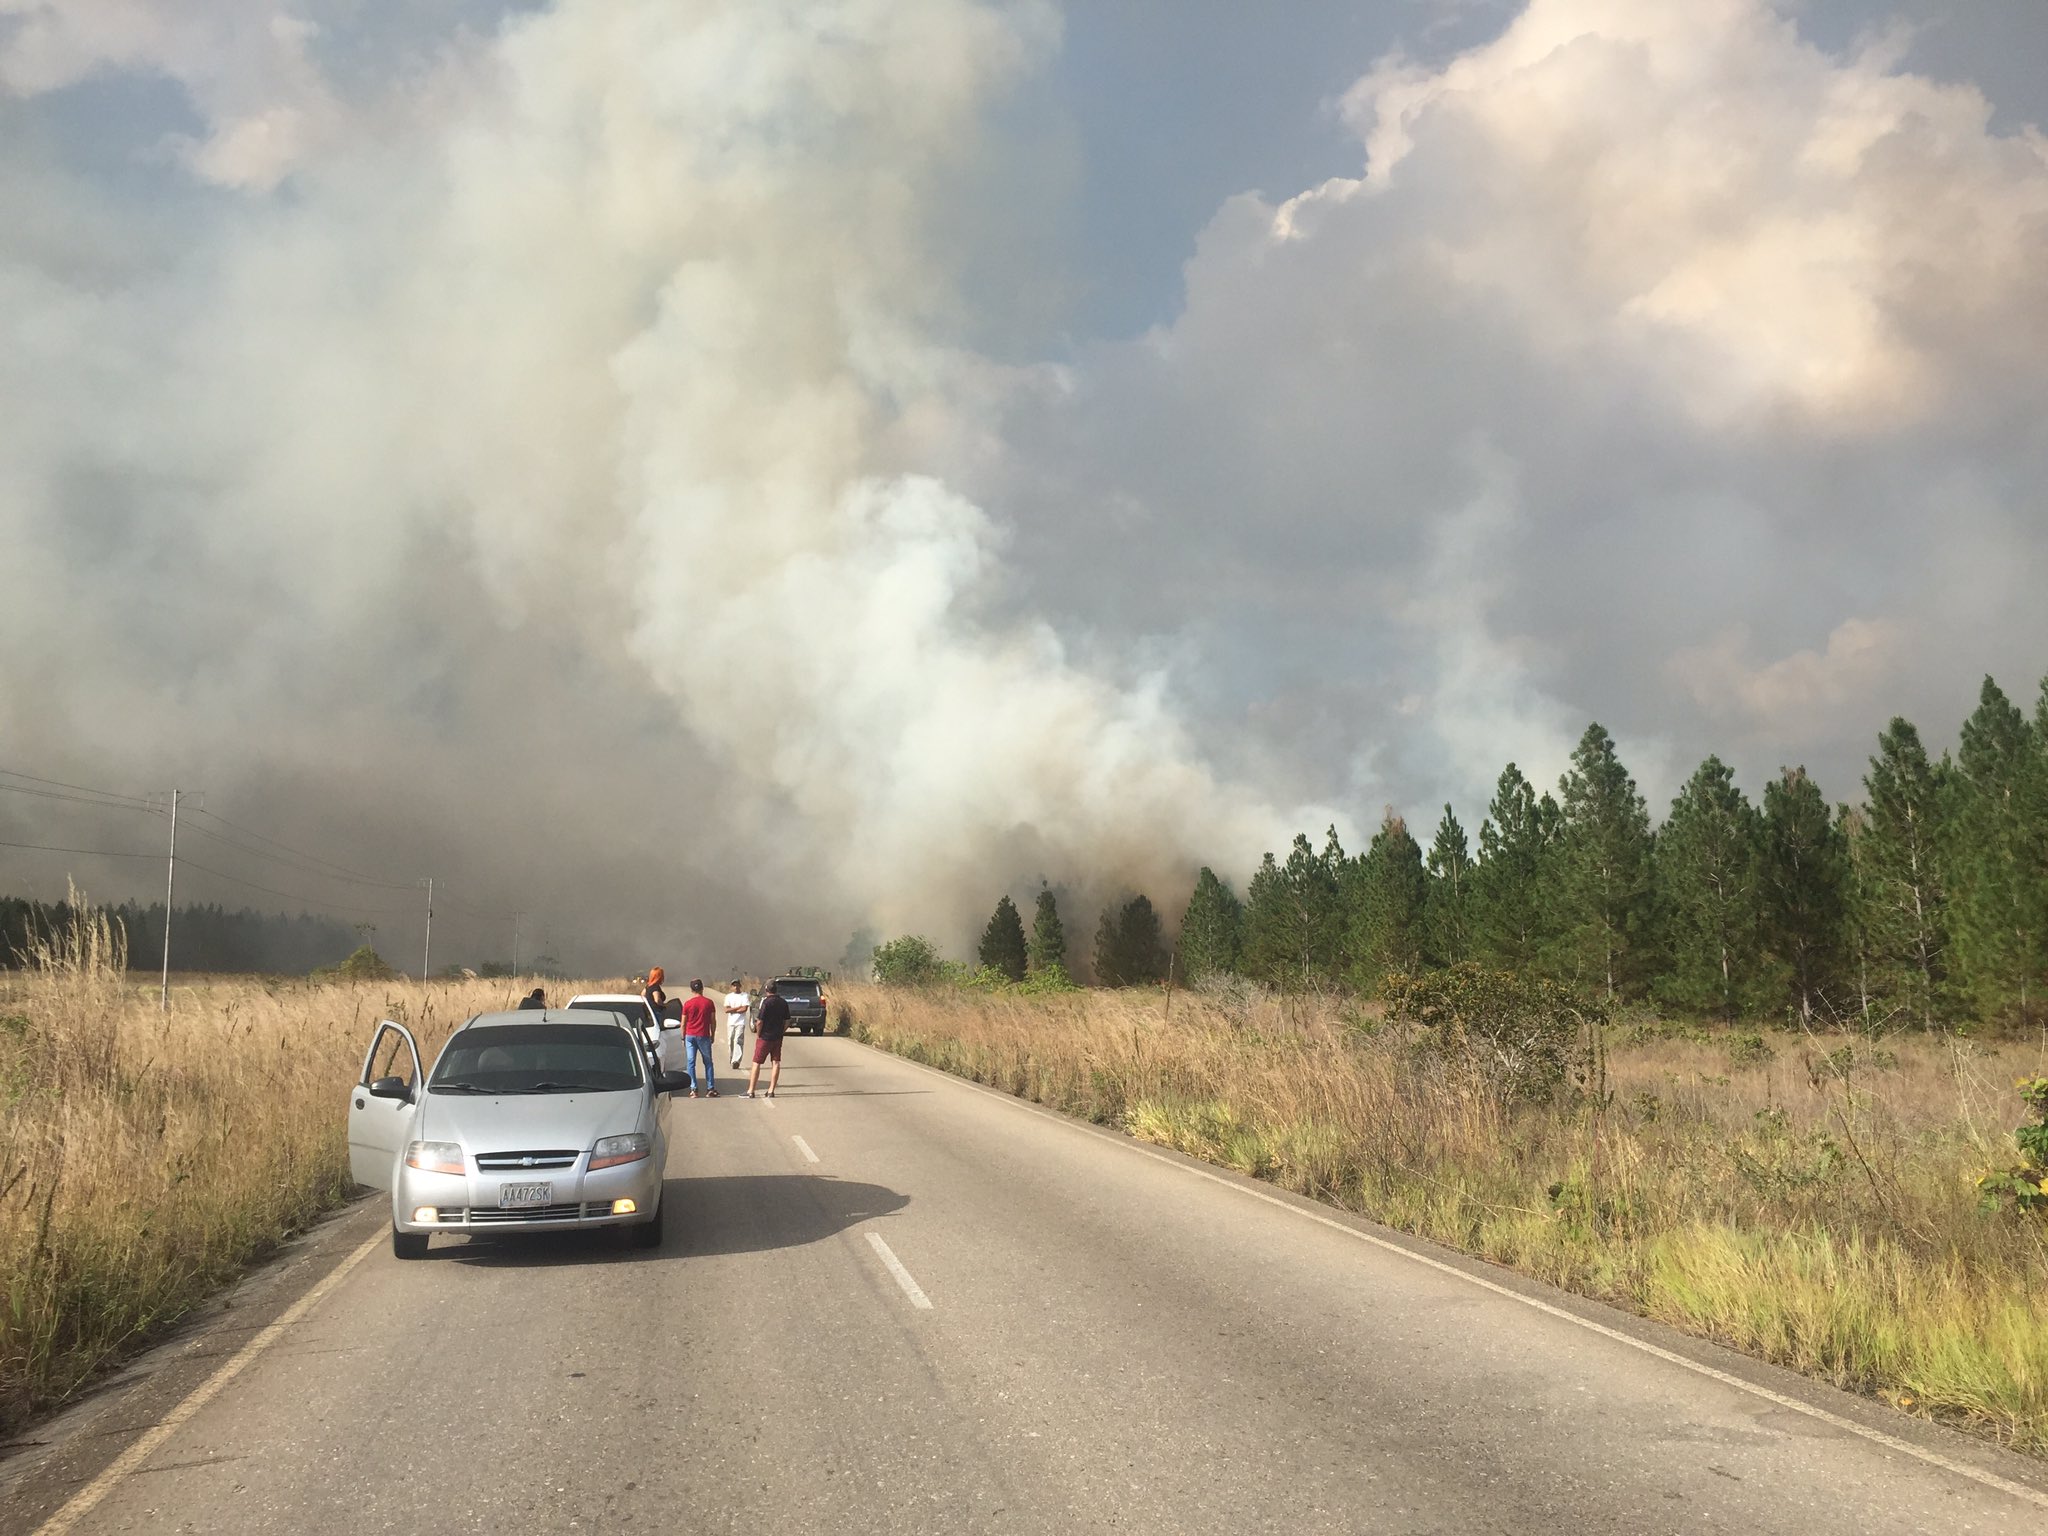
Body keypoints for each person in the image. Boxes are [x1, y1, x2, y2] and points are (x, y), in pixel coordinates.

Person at [746, 981, 788, 1100]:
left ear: (766, 990)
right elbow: (787, 1020)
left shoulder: (766, 1002)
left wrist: (759, 1033)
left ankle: (751, 1090)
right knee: (776, 1062)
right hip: (777, 1037)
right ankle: (771, 1090)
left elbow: (759, 1021)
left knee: (757, 1062)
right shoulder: (783, 1002)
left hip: (765, 1037)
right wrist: (781, 1031)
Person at [679, 978, 718, 1097]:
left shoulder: (687, 1004)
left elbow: (683, 1023)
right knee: (708, 1062)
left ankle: (693, 1089)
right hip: (703, 1035)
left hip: (690, 1035)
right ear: (702, 988)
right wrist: (713, 1034)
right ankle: (710, 1088)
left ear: (691, 989)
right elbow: (713, 1021)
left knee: (691, 1062)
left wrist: (683, 1037)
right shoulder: (709, 1003)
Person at [723, 978, 751, 1069]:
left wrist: (733, 1009)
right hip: (731, 1023)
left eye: (737, 985)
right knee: (730, 1041)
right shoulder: (728, 997)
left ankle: (736, 1061)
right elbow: (726, 1010)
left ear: (740, 986)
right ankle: (731, 1058)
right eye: (734, 985)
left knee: (738, 1041)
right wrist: (738, 1008)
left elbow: (744, 1009)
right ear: (731, 987)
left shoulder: (744, 996)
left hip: (740, 1022)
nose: (736, 987)